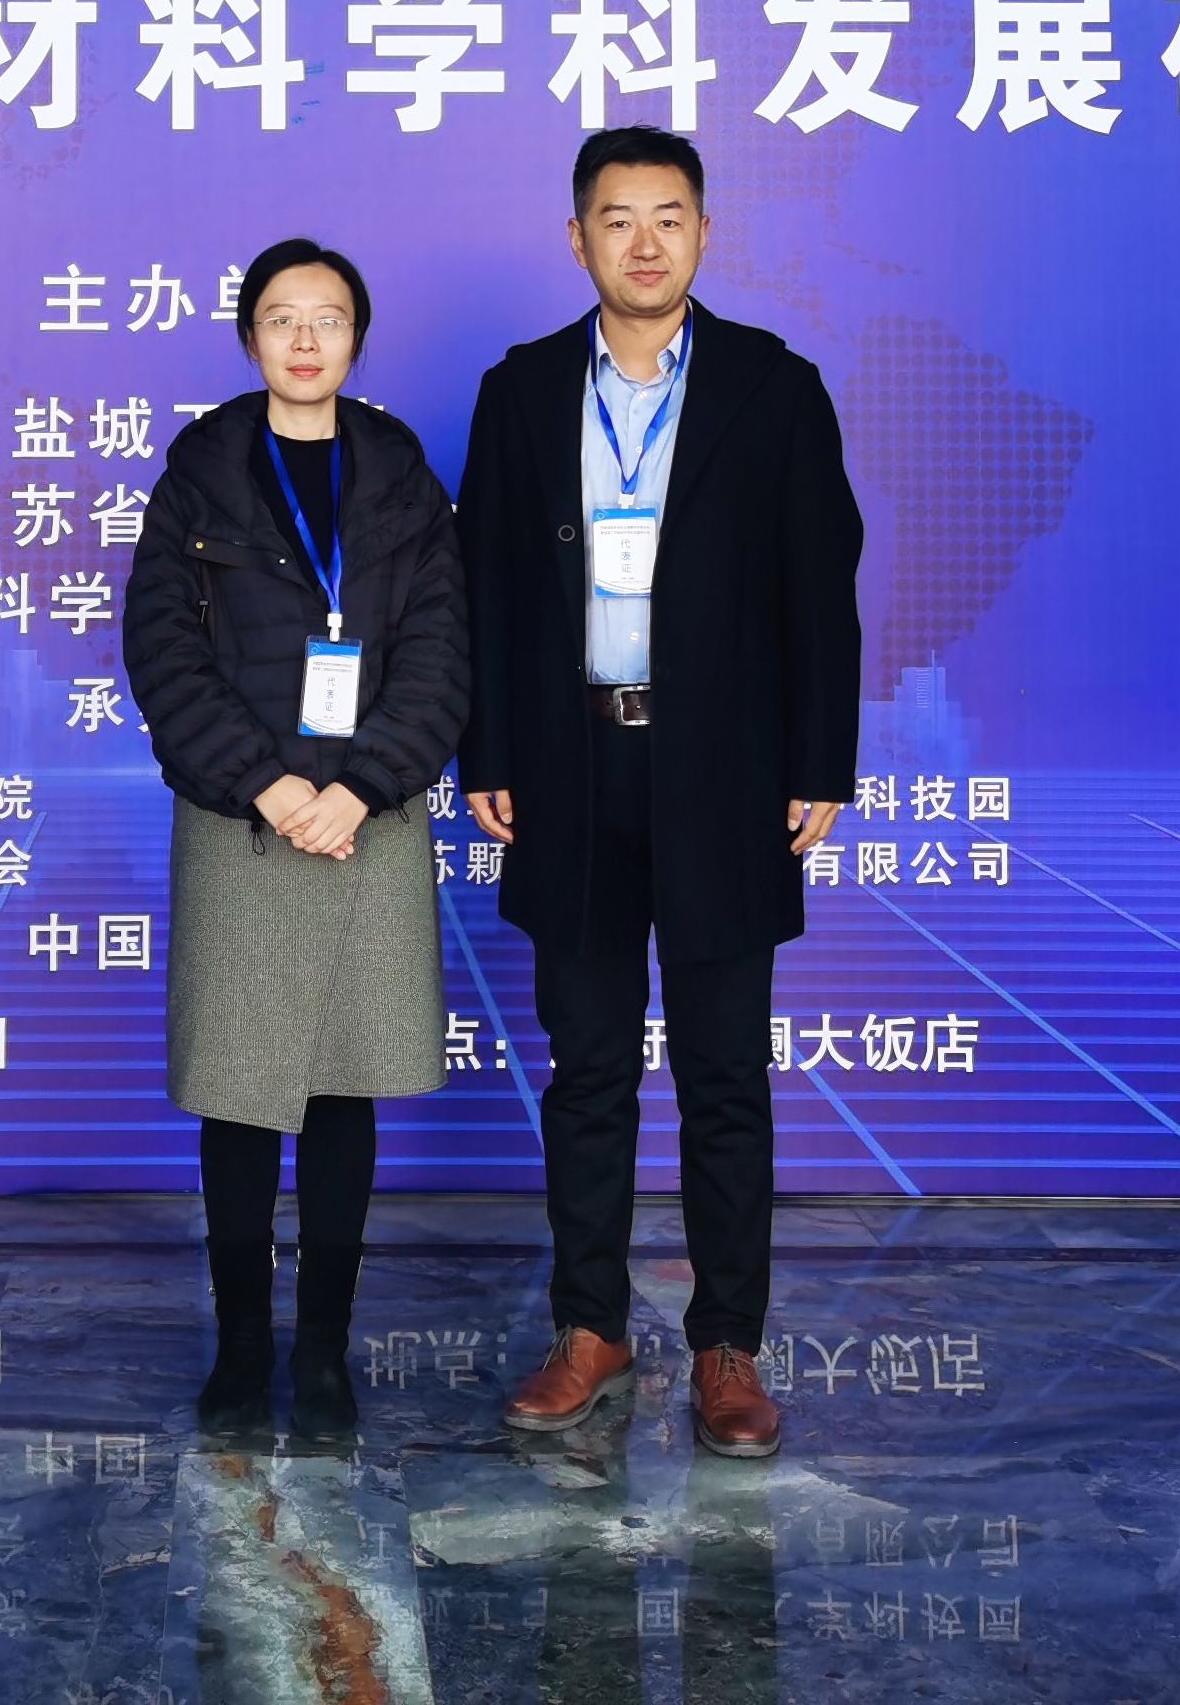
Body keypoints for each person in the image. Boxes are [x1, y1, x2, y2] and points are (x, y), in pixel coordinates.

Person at [455, 129, 864, 1459]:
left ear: (704, 233)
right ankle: (590, 1329)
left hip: (724, 774)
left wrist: (819, 763)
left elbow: (820, 587)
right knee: (586, 1071)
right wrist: (486, 750)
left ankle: (728, 1344)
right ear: (576, 238)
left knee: (724, 1073)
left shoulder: (773, 387)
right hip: (567, 768)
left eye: (669, 216)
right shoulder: (520, 390)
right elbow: (486, 583)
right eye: (618, 218)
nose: (644, 241)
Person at [122, 238, 471, 1440]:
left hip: (367, 816)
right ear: (250, 337)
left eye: (328, 317)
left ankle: (322, 1348)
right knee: (239, 1091)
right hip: (246, 822)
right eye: (282, 317)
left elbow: (442, 652)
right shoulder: (201, 475)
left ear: (357, 337)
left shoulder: (403, 477)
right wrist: (266, 783)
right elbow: (162, 652)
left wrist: (361, 785)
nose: (306, 338)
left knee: (343, 1085)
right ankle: (239, 1346)